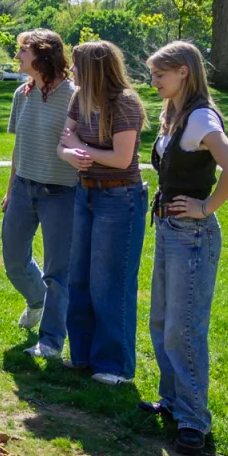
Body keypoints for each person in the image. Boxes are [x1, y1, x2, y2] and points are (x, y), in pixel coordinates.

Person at [141, 41, 228, 454]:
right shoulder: (174, 115)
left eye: (159, 75)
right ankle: (171, 401)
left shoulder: (201, 117)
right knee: (162, 321)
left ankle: (193, 420)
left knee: (184, 327)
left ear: (184, 71)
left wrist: (205, 207)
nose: (154, 83)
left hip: (192, 235)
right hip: (169, 230)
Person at [58, 40, 149, 386]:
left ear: (95, 68)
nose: (72, 71)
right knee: (78, 278)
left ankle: (115, 367)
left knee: (109, 282)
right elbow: (61, 143)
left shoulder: (124, 103)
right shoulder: (79, 98)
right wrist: (69, 155)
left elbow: (122, 159)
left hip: (119, 197)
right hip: (86, 193)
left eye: (77, 65)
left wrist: (80, 148)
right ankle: (82, 357)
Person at [2, 29, 79, 359]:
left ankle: (50, 341)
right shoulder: (22, 93)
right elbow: (19, 147)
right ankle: (37, 301)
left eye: (23, 51)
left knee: (56, 272)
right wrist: (10, 190)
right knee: (14, 260)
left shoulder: (74, 96)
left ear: (43, 55)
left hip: (60, 193)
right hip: (23, 188)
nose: (18, 56)